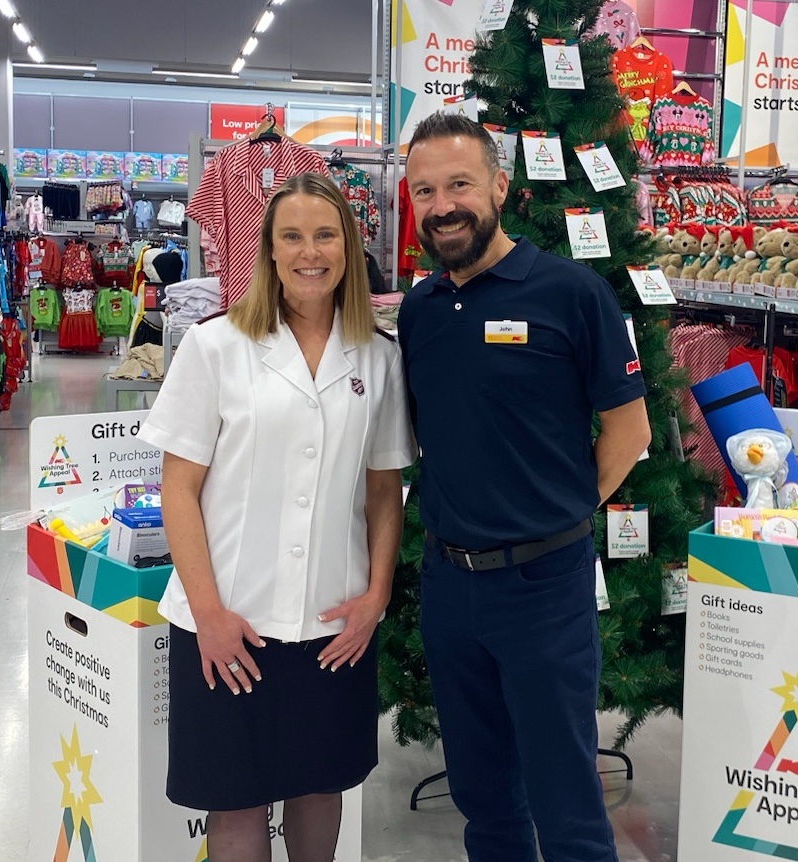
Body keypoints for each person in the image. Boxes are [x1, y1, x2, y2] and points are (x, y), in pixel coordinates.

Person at [137, 173, 415, 862]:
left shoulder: (379, 358)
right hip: (232, 620)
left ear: (349, 247)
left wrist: (376, 596)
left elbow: (384, 491)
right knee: (235, 799)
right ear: (267, 251)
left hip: (333, 620)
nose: (309, 251)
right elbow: (179, 491)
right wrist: (209, 613)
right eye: (291, 236)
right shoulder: (216, 347)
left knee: (320, 789)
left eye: (325, 235)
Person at [398, 112, 652, 862]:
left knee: (566, 801)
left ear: (500, 187)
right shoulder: (418, 309)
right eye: (424, 191)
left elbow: (630, 432)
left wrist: (558, 516)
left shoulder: (571, 293)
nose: (443, 205)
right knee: (483, 799)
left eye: (460, 184)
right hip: (449, 584)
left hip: (544, 586)